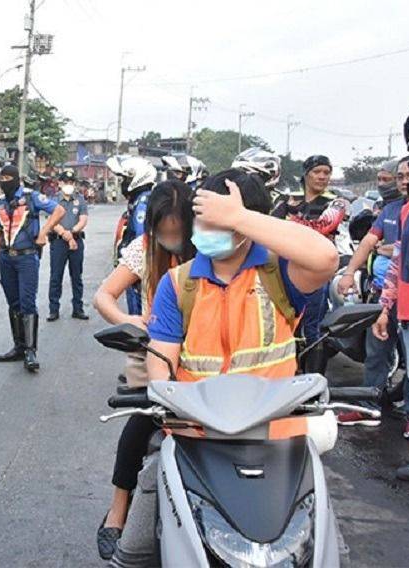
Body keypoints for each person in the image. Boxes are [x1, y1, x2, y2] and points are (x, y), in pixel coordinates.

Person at [110, 169, 338, 567]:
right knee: (137, 535)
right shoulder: (179, 284)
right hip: (196, 438)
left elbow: (326, 257)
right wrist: (171, 417)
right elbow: (161, 365)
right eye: (203, 218)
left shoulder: (280, 273)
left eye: (220, 220)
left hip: (277, 441)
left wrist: (239, 216)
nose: (206, 229)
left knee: (326, 546)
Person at [92, 180, 195, 560]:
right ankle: (117, 511)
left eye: (177, 232)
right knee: (142, 421)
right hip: (152, 349)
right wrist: (129, 320)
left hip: (200, 353)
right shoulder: (142, 249)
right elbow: (103, 296)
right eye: (163, 232)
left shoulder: (209, 251)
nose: (170, 239)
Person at [337, 158, 409, 430]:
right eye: (400, 177)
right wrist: (349, 273)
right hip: (384, 295)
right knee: (376, 352)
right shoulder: (391, 210)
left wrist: (388, 249)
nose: (403, 182)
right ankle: (368, 407)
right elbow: (370, 242)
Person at [373, 156, 409, 480]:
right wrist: (384, 308)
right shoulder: (408, 210)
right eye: (405, 176)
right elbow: (397, 263)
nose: (408, 181)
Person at [271, 154, 347, 373]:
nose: (322, 177)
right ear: (305, 174)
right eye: (317, 172)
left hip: (315, 271)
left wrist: (291, 221)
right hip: (284, 268)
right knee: (284, 325)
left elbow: (324, 225)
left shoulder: (336, 200)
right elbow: (272, 224)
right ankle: (286, 374)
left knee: (312, 328)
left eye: (327, 172)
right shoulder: (287, 198)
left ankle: (314, 381)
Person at [0, 164, 66, 372]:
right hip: (6, 258)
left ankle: (30, 351)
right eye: (1, 177)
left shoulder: (31, 197)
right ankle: (18, 347)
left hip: (27, 258)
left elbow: (59, 210)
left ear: (16, 178)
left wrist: (44, 232)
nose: (4, 181)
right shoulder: (0, 202)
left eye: (7, 177)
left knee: (27, 303)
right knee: (13, 303)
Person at [106, 156, 158, 317]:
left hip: (138, 275)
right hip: (138, 273)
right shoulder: (140, 200)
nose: (123, 183)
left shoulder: (143, 203)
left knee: (138, 319)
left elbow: (142, 243)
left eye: (126, 178)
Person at [47, 170, 89, 321]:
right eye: (65, 182)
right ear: (60, 183)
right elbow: (51, 222)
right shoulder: (53, 200)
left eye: (71, 182)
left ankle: (78, 309)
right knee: (56, 276)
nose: (69, 185)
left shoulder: (80, 200)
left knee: (77, 276)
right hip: (58, 242)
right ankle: (53, 310)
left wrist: (72, 232)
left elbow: (83, 220)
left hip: (76, 241)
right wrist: (65, 234)